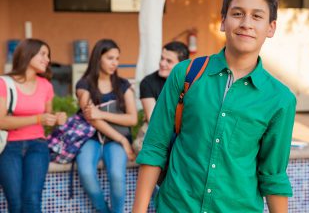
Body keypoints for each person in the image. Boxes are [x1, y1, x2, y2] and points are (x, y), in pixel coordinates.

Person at [133, 0, 296, 213]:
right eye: (237, 13)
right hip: (176, 206)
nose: (246, 23)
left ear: (271, 28)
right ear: (223, 21)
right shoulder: (186, 74)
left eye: (257, 16)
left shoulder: (280, 99)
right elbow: (155, 146)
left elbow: (273, 175)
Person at [0, 39, 67, 213]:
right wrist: (38, 119)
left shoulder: (46, 86)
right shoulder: (4, 83)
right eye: (43, 54)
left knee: (32, 200)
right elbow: (1, 121)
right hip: (8, 148)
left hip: (37, 146)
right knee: (15, 204)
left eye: (48, 55)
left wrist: (56, 119)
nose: (48, 59)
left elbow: (46, 121)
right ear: (27, 54)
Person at [75, 39, 137, 213]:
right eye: (110, 58)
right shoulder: (84, 85)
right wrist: (123, 141)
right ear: (98, 58)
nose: (115, 63)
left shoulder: (123, 85)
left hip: (115, 140)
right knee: (86, 173)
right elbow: (90, 118)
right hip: (91, 138)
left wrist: (101, 113)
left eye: (117, 58)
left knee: (117, 176)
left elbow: (132, 119)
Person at [139, 41, 190, 122]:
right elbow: (152, 119)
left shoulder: (191, 82)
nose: (162, 63)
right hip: (156, 131)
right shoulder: (147, 82)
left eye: (169, 61)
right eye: (162, 58)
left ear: (182, 65)